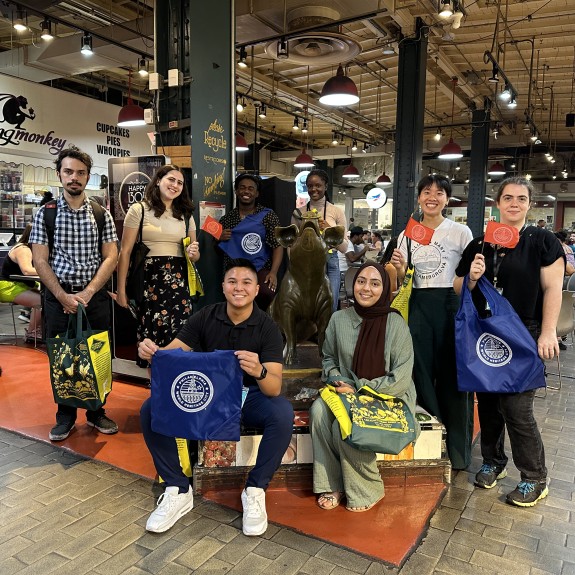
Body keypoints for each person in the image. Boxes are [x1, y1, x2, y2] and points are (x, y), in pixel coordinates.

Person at [138, 258, 294, 535]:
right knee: (151, 408)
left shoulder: (268, 327)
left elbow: (273, 387)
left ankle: (255, 489)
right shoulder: (206, 316)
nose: (239, 288)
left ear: (257, 290)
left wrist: (258, 371)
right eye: (232, 281)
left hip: (249, 398)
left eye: (247, 282)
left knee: (282, 413)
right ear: (223, 287)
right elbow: (172, 352)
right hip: (210, 399)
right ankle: (177, 488)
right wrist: (152, 351)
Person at [454, 176, 564, 507]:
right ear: (497, 203)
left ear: (529, 204)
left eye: (520, 198)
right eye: (507, 198)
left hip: (525, 332)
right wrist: (472, 278)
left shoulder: (543, 241)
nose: (513, 203)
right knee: (487, 405)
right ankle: (493, 462)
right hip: (486, 334)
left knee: (516, 408)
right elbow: (459, 289)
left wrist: (547, 331)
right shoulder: (479, 244)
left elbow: (553, 289)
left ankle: (534, 478)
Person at [310, 262, 418, 512]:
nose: (366, 288)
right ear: (352, 284)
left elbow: (401, 377)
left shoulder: (396, 324)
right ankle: (332, 483)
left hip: (388, 394)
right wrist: (337, 378)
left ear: (385, 289)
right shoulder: (339, 319)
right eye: (361, 281)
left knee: (344, 424)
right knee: (318, 412)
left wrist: (359, 390)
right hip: (344, 389)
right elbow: (328, 358)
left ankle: (367, 488)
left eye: (375, 283)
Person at [30, 146, 119, 441]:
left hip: (93, 298)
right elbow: (40, 260)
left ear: (88, 177)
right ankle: (65, 416)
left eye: (80, 172)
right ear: (59, 175)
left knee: (97, 356)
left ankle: (96, 412)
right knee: (63, 358)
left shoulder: (100, 213)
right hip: (59, 299)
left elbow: (111, 257)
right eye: (68, 171)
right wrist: (62, 297)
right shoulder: (46, 214)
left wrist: (90, 292)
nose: (74, 177)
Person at [390, 174, 473, 470]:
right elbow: (402, 280)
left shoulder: (460, 232)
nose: (432, 197)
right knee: (420, 372)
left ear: (447, 200)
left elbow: (468, 277)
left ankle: (459, 451)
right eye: (427, 192)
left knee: (454, 376)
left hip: (451, 305)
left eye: (439, 193)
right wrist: (398, 268)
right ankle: (433, 441)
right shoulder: (406, 234)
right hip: (418, 304)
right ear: (419, 198)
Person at [116, 164, 199, 366]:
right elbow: (125, 252)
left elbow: (194, 257)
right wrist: (121, 291)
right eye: (171, 179)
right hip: (150, 280)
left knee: (181, 332)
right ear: (159, 180)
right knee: (151, 333)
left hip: (179, 282)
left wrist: (193, 254)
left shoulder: (186, 215)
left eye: (180, 182)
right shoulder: (139, 210)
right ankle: (155, 384)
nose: (175, 185)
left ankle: (175, 383)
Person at [218, 174, 283, 311]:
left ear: (257, 193)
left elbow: (278, 246)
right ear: (236, 191)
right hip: (234, 270)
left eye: (250, 188)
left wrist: (273, 273)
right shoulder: (227, 219)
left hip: (261, 268)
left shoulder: (268, 215)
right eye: (242, 188)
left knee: (266, 292)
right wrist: (219, 238)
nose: (246, 191)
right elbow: (218, 248)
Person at [293, 169, 348, 313]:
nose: (313, 189)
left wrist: (330, 229)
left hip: (331, 263)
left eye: (318, 185)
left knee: (330, 305)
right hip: (307, 264)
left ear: (325, 186)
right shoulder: (298, 212)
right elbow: (292, 245)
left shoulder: (336, 212)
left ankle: (329, 336)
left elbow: (344, 247)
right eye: (310, 186)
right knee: (308, 307)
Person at [0, 223, 42, 342]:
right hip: (7, 286)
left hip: (19, 285)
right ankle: (32, 333)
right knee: (41, 302)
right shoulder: (23, 249)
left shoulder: (30, 248)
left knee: (47, 298)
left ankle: (38, 330)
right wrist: (48, 272)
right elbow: (27, 271)